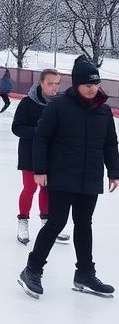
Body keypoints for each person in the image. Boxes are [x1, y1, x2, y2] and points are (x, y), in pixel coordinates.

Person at [18, 59, 119, 299]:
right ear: (76, 84)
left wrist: (114, 171)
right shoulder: (59, 106)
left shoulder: (103, 110)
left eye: (96, 84)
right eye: (88, 85)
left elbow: (110, 143)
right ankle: (32, 269)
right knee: (56, 222)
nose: (93, 89)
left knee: (84, 224)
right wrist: (40, 170)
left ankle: (84, 274)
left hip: (90, 176)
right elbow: (42, 138)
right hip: (62, 174)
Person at [12, 69, 67, 246]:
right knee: (30, 188)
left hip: (51, 154)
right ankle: (23, 220)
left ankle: (48, 225)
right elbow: (17, 128)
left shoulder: (61, 104)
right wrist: (39, 132)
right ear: (41, 83)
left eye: (57, 83)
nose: (54, 87)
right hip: (30, 153)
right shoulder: (27, 103)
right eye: (50, 83)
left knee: (47, 189)